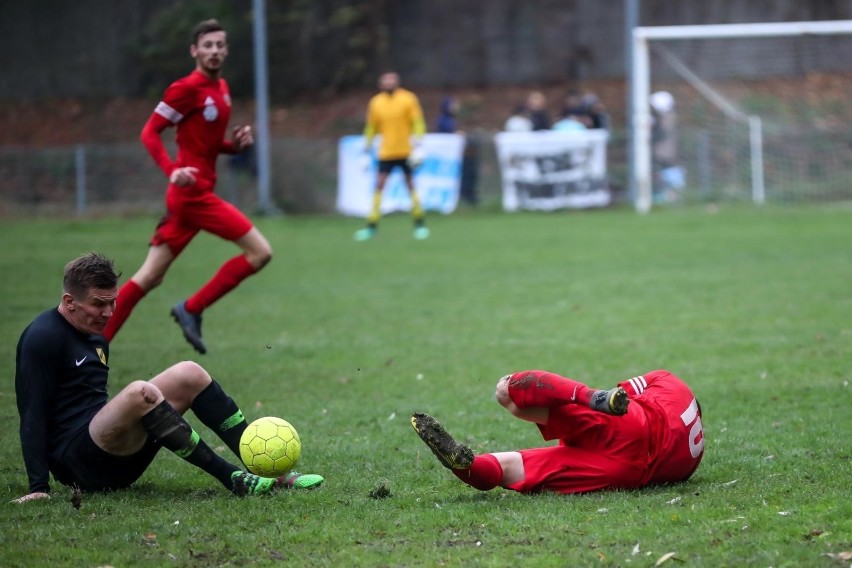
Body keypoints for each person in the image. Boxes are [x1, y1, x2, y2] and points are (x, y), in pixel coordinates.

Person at [13, 253, 323, 504]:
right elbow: (32, 414)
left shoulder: (94, 333)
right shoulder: (43, 338)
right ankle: (232, 479)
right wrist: (39, 485)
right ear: (69, 302)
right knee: (140, 392)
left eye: (112, 302)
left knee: (189, 371)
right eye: (98, 303)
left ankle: (270, 471)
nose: (108, 312)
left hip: (115, 455)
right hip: (79, 464)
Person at [102, 19, 272, 354]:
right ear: (194, 51)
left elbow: (206, 145)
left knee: (149, 276)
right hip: (192, 196)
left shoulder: (221, 89)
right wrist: (171, 169)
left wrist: (235, 146)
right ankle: (191, 308)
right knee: (260, 252)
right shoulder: (185, 89)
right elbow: (149, 132)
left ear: (226, 50)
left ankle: (92, 346)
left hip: (195, 195)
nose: (214, 51)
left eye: (219, 45)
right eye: (207, 45)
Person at [412, 369, 704, 494]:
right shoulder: (693, 460)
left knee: (507, 392)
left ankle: (590, 395)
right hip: (627, 472)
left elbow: (622, 397)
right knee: (511, 469)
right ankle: (468, 466)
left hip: (629, 425)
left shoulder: (672, 385)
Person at [354, 71, 429, 241]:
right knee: (379, 186)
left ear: (397, 82)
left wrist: (419, 144)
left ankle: (420, 224)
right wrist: (365, 150)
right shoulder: (376, 102)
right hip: (386, 152)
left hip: (405, 151)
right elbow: (371, 127)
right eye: (386, 81)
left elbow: (417, 122)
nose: (389, 84)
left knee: (411, 185)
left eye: (391, 81)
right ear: (381, 84)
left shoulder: (408, 99)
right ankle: (371, 226)